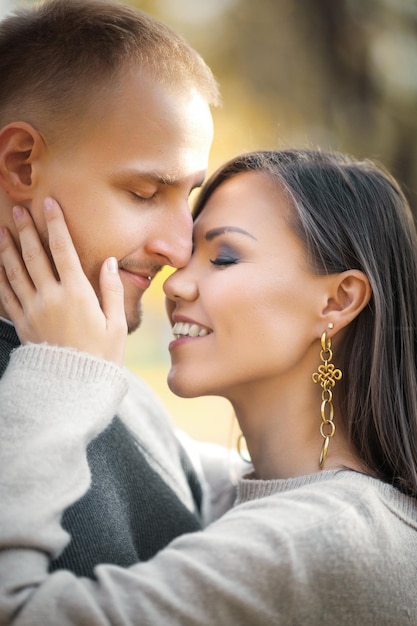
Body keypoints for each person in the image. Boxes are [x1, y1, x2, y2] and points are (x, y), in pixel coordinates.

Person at [0, 148, 416, 625]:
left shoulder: (320, 541)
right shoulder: (232, 488)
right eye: (188, 253)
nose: (175, 285)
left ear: (337, 301)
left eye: (223, 257)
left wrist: (58, 374)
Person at [0, 0, 238, 580]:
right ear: (21, 162)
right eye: (143, 192)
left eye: (186, 196)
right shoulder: (62, 377)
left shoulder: (109, 379)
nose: (180, 249)